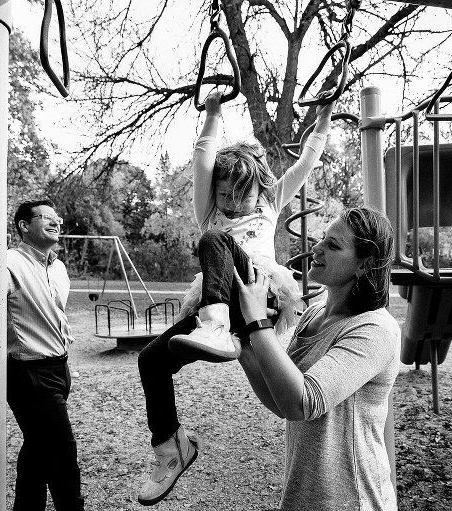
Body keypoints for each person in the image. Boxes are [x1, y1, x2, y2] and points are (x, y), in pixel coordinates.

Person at [136, 91, 335, 506]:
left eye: (239, 197)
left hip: (260, 293)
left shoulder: (269, 203)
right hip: (219, 303)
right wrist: (212, 114)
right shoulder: (210, 210)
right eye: (223, 195)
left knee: (215, 240)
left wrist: (324, 118)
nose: (229, 205)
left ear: (259, 189)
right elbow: (202, 160)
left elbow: (307, 162)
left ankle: (217, 327)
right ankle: (172, 447)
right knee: (150, 359)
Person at [234, 207, 401, 511]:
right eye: (322, 239)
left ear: (364, 265)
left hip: (352, 501)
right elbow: (283, 401)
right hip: (303, 497)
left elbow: (303, 402)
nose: (317, 248)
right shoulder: (313, 315)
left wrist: (258, 322)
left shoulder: (376, 329)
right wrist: (245, 348)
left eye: (333, 245)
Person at [0, 199, 84, 511]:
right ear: (24, 226)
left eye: (57, 217)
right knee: (62, 452)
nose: (55, 222)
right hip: (28, 374)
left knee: (37, 449)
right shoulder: (7, 262)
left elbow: (56, 315)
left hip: (59, 368)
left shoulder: (58, 268)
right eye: (46, 217)